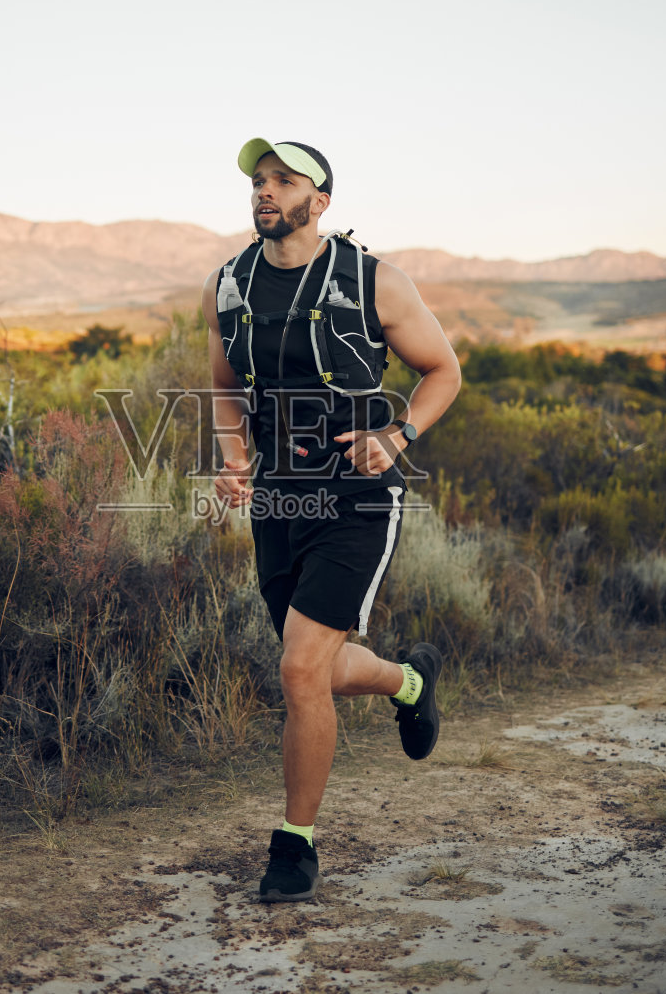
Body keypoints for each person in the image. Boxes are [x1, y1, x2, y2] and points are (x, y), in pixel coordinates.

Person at [200, 138, 462, 902]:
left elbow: (444, 370)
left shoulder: (373, 279)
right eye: (259, 180)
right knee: (312, 664)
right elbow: (222, 382)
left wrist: (398, 435)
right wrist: (231, 455)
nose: (266, 191)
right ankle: (411, 681)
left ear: (320, 201)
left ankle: (296, 845)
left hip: (354, 496)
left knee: (297, 668)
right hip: (279, 498)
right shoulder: (228, 285)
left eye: (284, 180)